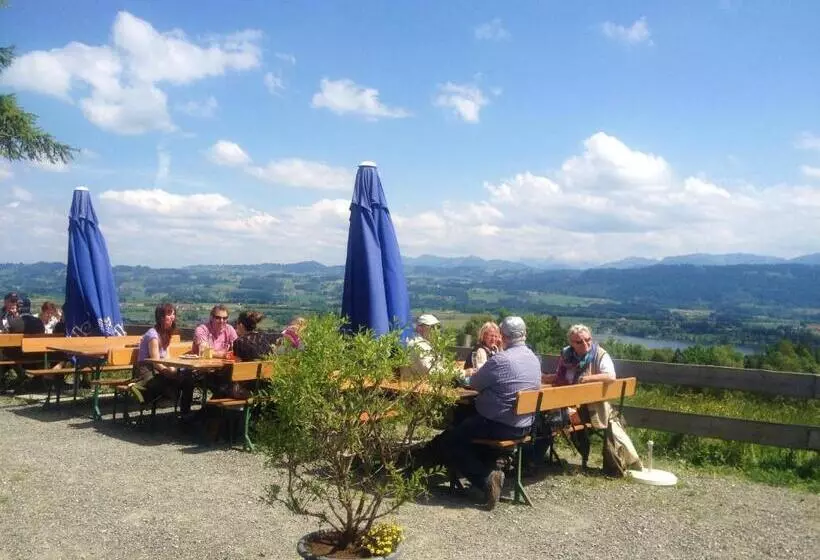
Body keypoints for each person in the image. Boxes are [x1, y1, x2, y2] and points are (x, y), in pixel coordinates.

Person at [423, 316, 541, 510]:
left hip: (498, 424)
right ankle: (484, 467)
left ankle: (486, 480)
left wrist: (461, 378)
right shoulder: (533, 359)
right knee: (463, 430)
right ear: (524, 334)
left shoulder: (501, 360)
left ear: (502, 336)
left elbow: (475, 383)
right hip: (525, 424)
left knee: (451, 439)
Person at [129, 303, 194, 415]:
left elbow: (167, 357)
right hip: (148, 373)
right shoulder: (153, 336)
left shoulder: (166, 334)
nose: (172, 317)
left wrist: (174, 369)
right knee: (181, 380)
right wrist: (171, 373)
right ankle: (142, 390)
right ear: (160, 317)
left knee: (188, 379)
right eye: (169, 314)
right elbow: (156, 362)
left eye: (173, 314)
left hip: (159, 372)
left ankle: (185, 414)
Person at [542, 324, 616, 386]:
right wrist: (543, 378)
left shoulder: (600, 354)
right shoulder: (566, 354)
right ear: (571, 343)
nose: (585, 344)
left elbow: (611, 376)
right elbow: (559, 377)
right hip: (565, 396)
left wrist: (585, 379)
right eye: (579, 342)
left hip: (590, 400)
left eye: (588, 339)